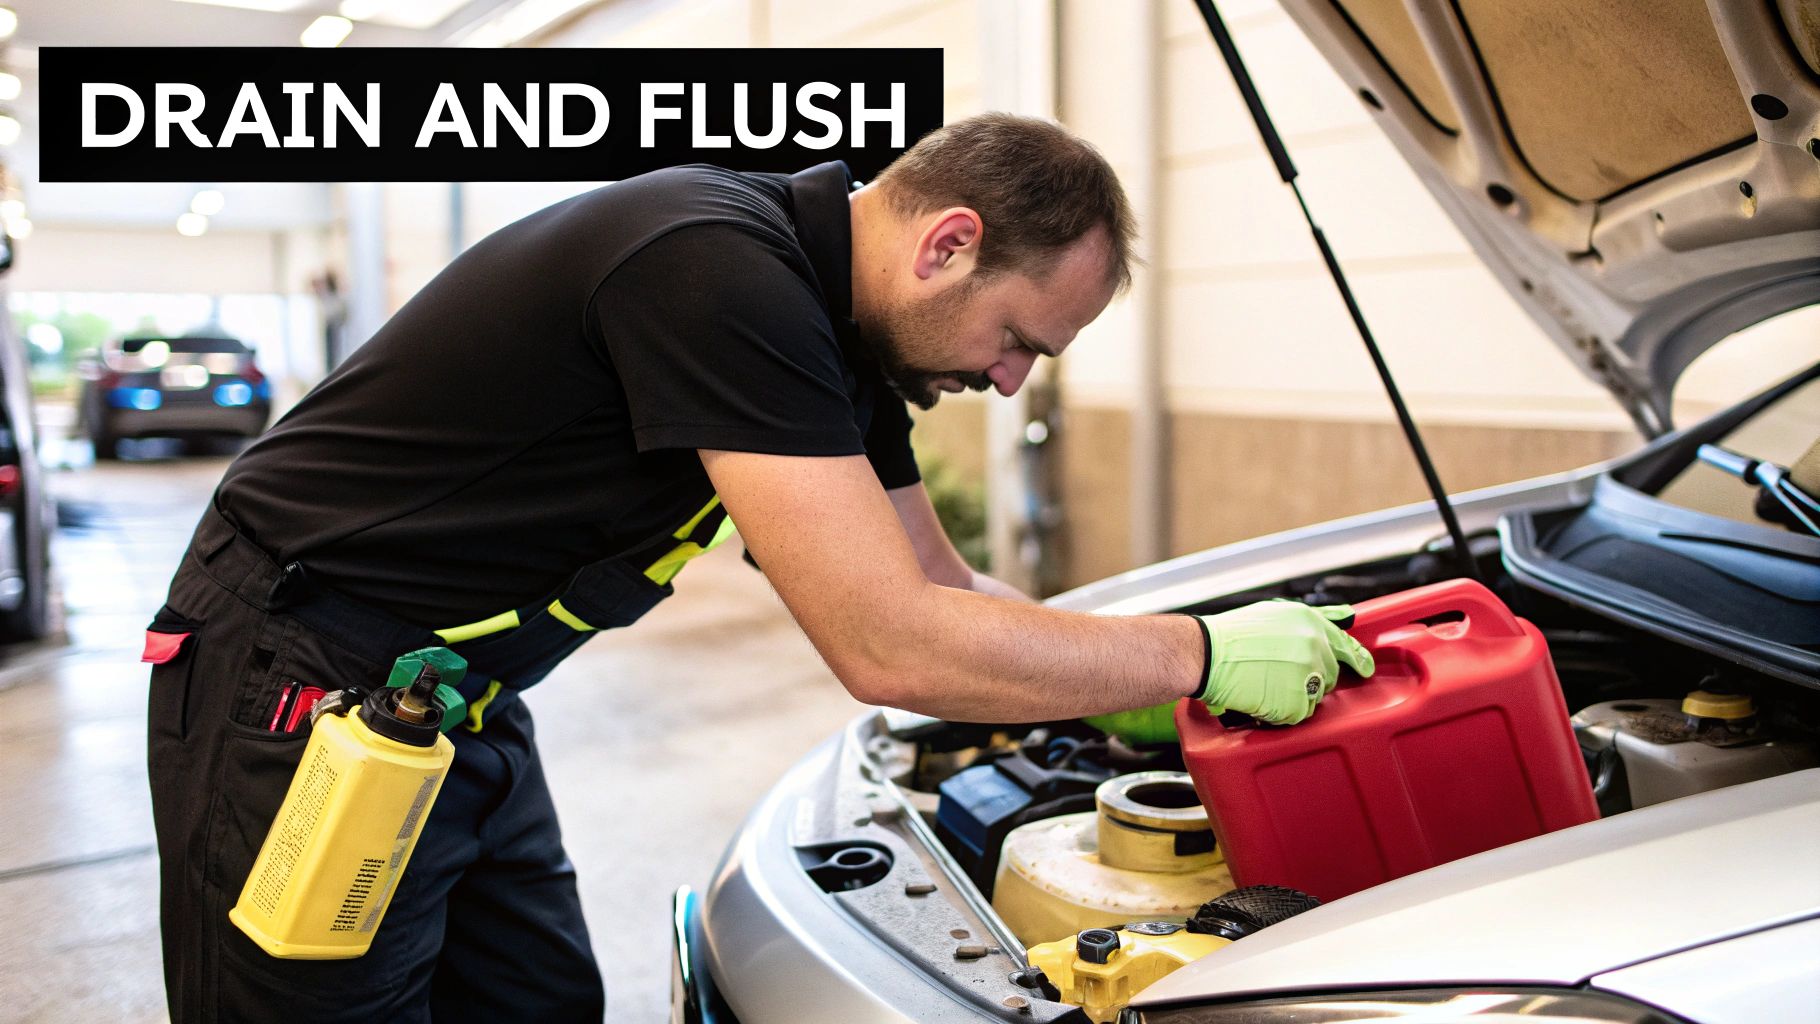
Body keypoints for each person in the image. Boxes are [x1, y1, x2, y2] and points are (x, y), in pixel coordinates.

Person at [143, 112, 1372, 1022]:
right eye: (1015, 340)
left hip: (450, 696)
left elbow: (939, 588)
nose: (1009, 382)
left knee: (535, 1004)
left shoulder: (840, 340)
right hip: (296, 679)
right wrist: (1194, 650)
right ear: (946, 243)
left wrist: (1167, 693)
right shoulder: (710, 265)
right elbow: (886, 642)